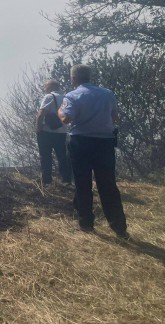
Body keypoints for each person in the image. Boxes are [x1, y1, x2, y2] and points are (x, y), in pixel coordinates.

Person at [58, 64, 129, 239]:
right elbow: (114, 117)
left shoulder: (72, 96)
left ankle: (86, 224)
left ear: (73, 78)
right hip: (105, 143)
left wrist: (59, 111)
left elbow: (66, 118)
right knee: (108, 185)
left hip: (81, 143)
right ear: (89, 76)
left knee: (83, 183)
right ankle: (119, 227)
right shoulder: (107, 93)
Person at [35, 79, 72, 186]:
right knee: (62, 157)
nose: (44, 89)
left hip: (47, 132)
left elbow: (41, 114)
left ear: (50, 87)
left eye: (45, 87)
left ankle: (47, 182)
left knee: (45, 156)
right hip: (62, 132)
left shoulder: (49, 97)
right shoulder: (67, 98)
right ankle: (66, 180)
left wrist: (38, 128)